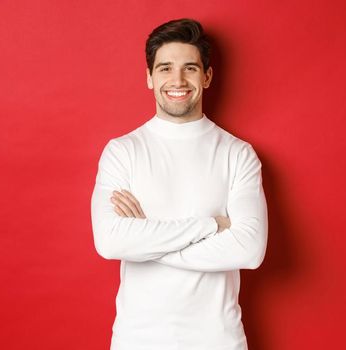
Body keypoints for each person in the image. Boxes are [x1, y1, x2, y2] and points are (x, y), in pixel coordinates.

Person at [90, 18, 268, 350]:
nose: (177, 80)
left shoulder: (237, 154)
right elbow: (110, 242)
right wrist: (211, 225)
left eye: (189, 68)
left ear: (207, 76)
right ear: (149, 77)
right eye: (165, 68)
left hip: (219, 342)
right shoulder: (122, 152)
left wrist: (146, 237)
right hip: (137, 341)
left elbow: (250, 249)